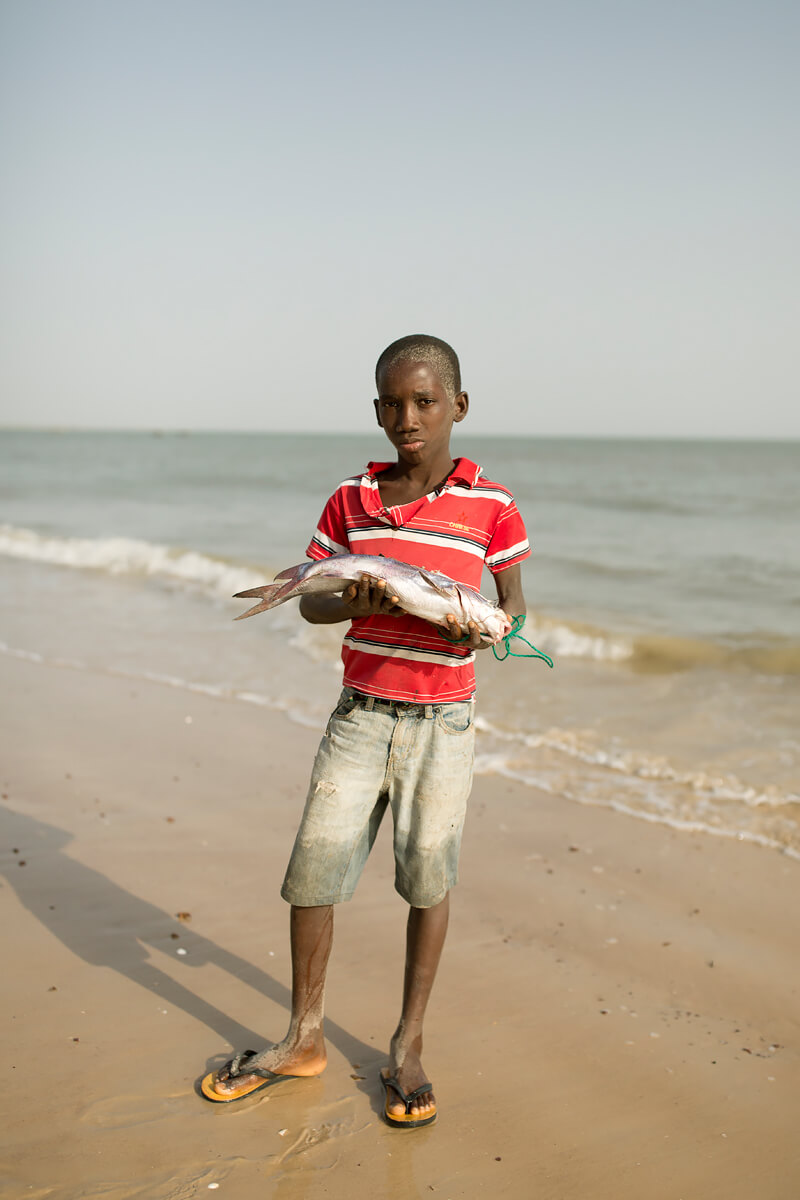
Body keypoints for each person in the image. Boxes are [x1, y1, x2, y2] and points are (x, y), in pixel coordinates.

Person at [201, 334, 529, 1128]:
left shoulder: (494, 504)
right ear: (377, 408)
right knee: (313, 873)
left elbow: (513, 611)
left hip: (442, 722)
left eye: (423, 401)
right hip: (359, 713)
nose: (406, 417)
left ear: (458, 406)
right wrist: (359, 602)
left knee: (427, 882)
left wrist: (481, 630)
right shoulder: (350, 499)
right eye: (392, 402)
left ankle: (407, 1045)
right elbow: (316, 597)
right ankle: (303, 1038)